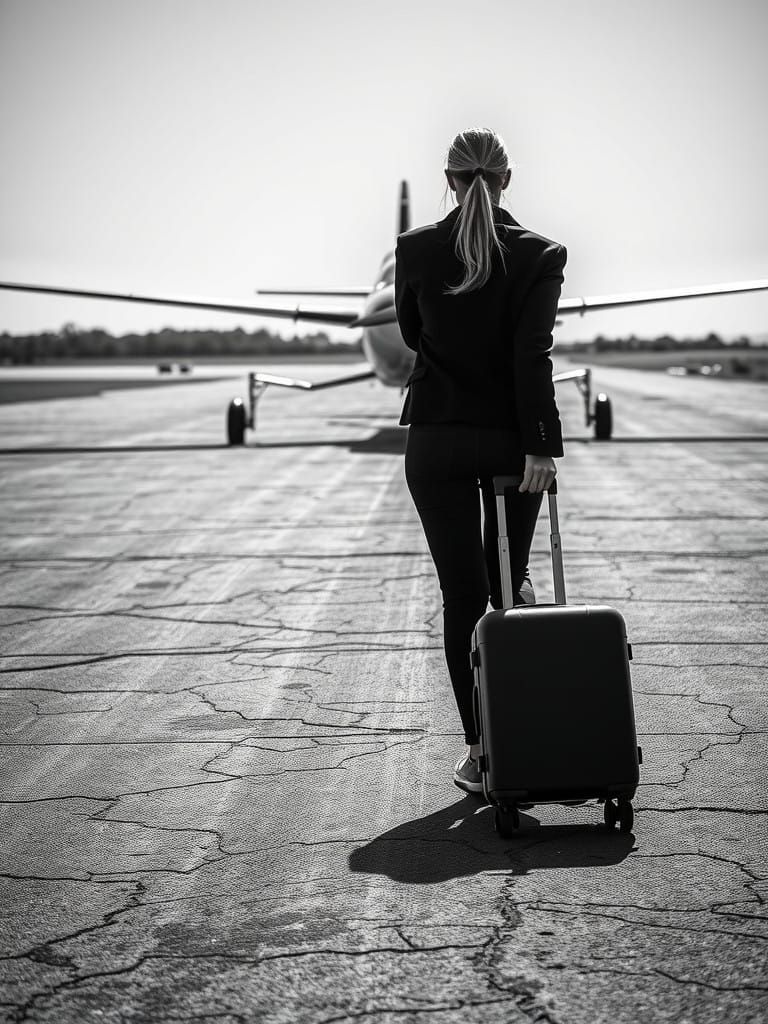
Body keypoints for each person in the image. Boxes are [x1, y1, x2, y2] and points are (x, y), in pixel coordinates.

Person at [394, 127, 567, 796]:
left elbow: (414, 333)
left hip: (434, 439)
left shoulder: (415, 248)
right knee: (506, 587)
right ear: (507, 180)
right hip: (507, 443)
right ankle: (524, 729)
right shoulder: (540, 253)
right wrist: (542, 444)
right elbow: (533, 356)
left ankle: (479, 753)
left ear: (448, 177)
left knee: (460, 596)